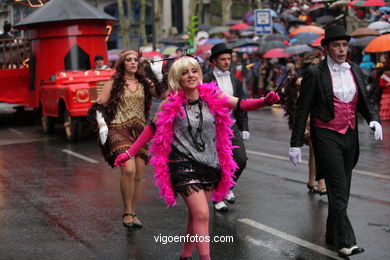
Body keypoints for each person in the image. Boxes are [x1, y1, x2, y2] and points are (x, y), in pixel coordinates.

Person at [114, 56, 280, 260]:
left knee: (196, 215)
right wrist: (129, 153)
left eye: (194, 71)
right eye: (185, 72)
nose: (190, 75)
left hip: (209, 162)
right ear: (177, 78)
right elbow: (151, 129)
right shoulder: (169, 105)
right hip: (181, 163)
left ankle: (185, 255)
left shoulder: (214, 96)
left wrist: (264, 101)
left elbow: (241, 104)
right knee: (202, 214)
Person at [288, 25, 383, 258]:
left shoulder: (356, 70)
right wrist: (295, 143)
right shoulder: (315, 73)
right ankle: (345, 241)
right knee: (338, 187)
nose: (341, 50)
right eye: (336, 45)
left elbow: (365, 101)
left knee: (342, 190)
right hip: (326, 135)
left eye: (344, 45)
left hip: (350, 135)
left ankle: (331, 234)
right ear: (326, 48)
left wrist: (374, 120)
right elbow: (303, 109)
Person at [88, 49, 167, 229]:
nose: (133, 62)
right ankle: (126, 211)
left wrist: (158, 74)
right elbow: (98, 106)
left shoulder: (144, 81)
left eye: (135, 60)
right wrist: (102, 124)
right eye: (129, 60)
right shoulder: (115, 82)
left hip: (139, 131)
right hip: (118, 129)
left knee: (138, 173)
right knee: (129, 169)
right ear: (122, 63)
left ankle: (133, 212)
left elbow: (162, 94)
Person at [203, 43, 249, 212]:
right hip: (213, 128)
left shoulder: (235, 80)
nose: (226, 62)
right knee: (218, 165)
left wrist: (244, 127)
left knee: (241, 160)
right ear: (214, 61)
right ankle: (217, 197)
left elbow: (241, 104)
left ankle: (227, 188)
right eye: (223, 59)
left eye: (229, 59)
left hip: (231, 125)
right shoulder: (206, 79)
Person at [280, 62, 327, 196]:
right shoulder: (300, 82)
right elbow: (296, 107)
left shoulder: (320, 81)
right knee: (316, 147)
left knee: (315, 151)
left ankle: (312, 181)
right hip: (303, 123)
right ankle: (321, 182)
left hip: (316, 121)